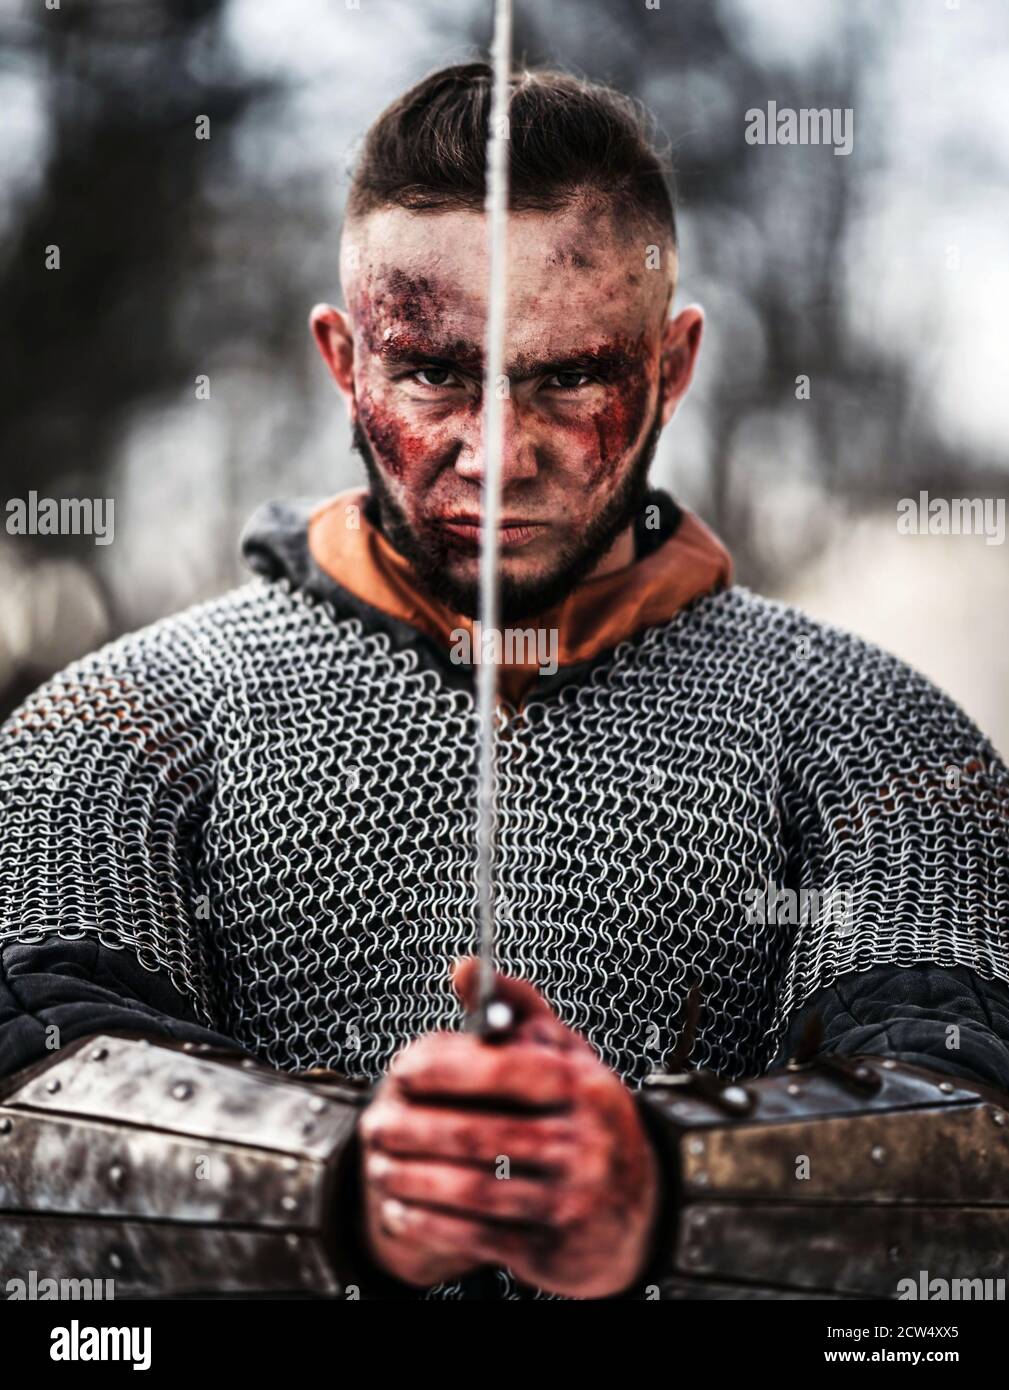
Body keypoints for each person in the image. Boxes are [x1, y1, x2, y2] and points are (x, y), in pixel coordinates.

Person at [1, 64, 1007, 1302]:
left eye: (571, 376)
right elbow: (27, 1136)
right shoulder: (108, 739)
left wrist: (664, 1190)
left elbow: (972, 1160)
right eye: (433, 373)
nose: (498, 453)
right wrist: (339, 1188)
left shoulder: (883, 744)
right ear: (343, 358)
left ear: (673, 363)